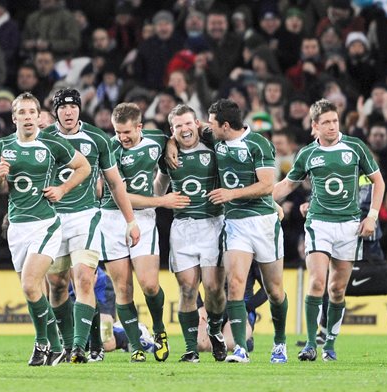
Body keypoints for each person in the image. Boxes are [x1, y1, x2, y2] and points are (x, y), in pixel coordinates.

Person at [168, 99, 288, 363]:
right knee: (234, 285)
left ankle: (280, 343)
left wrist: (231, 193)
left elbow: (267, 185)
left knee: (275, 290)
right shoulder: (215, 140)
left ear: (224, 125)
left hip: (264, 222)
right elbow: (182, 132)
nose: (203, 126)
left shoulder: (258, 144)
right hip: (234, 223)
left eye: (209, 122)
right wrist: (170, 141)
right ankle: (241, 350)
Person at [273, 98, 384, 362]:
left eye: (335, 121)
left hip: (349, 225)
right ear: (315, 126)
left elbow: (378, 182)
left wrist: (372, 217)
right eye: (326, 123)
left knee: (336, 289)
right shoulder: (308, 154)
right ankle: (311, 344)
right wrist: (261, 200)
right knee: (317, 282)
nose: (332, 126)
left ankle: (330, 344)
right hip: (319, 223)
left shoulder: (355, 147)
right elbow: (287, 185)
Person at [0, 91, 91, 366]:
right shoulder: (2, 146)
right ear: (14, 118)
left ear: (38, 116)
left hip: (46, 224)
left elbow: (83, 167)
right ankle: (57, 346)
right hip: (16, 227)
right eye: (21, 112)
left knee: (30, 284)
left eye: (31, 112)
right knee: (31, 291)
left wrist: (62, 188)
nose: (26, 117)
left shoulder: (51, 144)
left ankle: (42, 344)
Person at [42, 88, 140, 363]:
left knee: (85, 278)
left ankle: (78, 348)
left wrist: (131, 220)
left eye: (73, 107)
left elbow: (115, 183)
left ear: (80, 109)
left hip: (86, 216)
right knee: (58, 286)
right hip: (52, 219)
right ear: (56, 111)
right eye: (63, 107)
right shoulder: (44, 138)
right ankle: (76, 342)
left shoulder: (97, 138)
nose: (69, 112)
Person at [100, 102, 187, 362]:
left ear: (140, 127)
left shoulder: (156, 139)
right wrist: (163, 201)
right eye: (117, 131)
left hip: (145, 220)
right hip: (113, 218)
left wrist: (171, 143)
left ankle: (159, 330)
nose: (122, 137)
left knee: (149, 285)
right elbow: (121, 196)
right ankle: (137, 344)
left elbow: (169, 138)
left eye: (127, 132)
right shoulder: (110, 149)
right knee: (123, 289)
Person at [154, 104, 227, 363]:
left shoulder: (215, 148)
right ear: (172, 131)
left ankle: (215, 330)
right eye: (178, 126)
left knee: (213, 288)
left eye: (188, 123)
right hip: (182, 228)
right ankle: (190, 349)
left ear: (197, 123)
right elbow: (158, 191)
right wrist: (162, 199)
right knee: (187, 289)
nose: (184, 129)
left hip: (212, 223)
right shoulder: (168, 156)